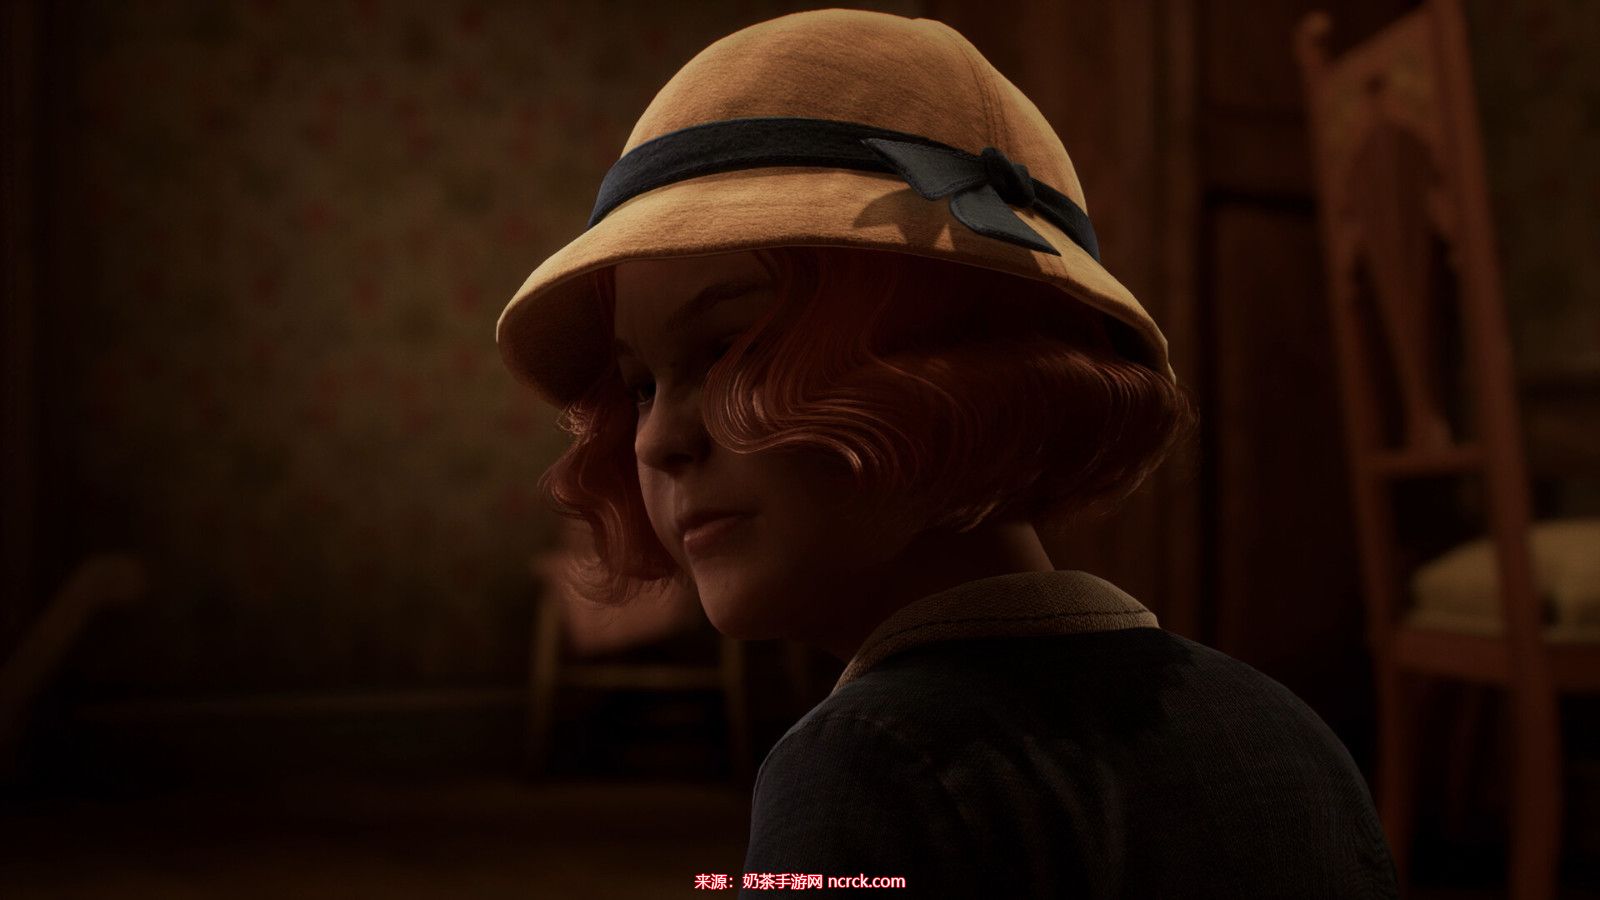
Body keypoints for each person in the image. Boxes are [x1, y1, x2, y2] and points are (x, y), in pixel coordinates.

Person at [495, 9, 1400, 898]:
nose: (658, 438)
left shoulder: (866, 765)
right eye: (640, 386)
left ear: (955, 362)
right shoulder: (1284, 728)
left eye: (732, 351)